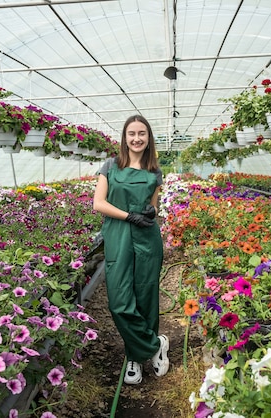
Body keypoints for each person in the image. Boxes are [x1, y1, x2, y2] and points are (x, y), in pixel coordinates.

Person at [92, 114, 169, 385]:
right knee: (120, 302)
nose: (137, 139)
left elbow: (154, 206)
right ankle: (154, 345)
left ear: (149, 138)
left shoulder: (154, 171)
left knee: (146, 295)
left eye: (142, 134)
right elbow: (98, 203)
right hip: (119, 234)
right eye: (132, 134)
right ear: (124, 138)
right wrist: (128, 216)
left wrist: (151, 210)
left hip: (147, 237)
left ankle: (135, 356)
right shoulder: (111, 166)